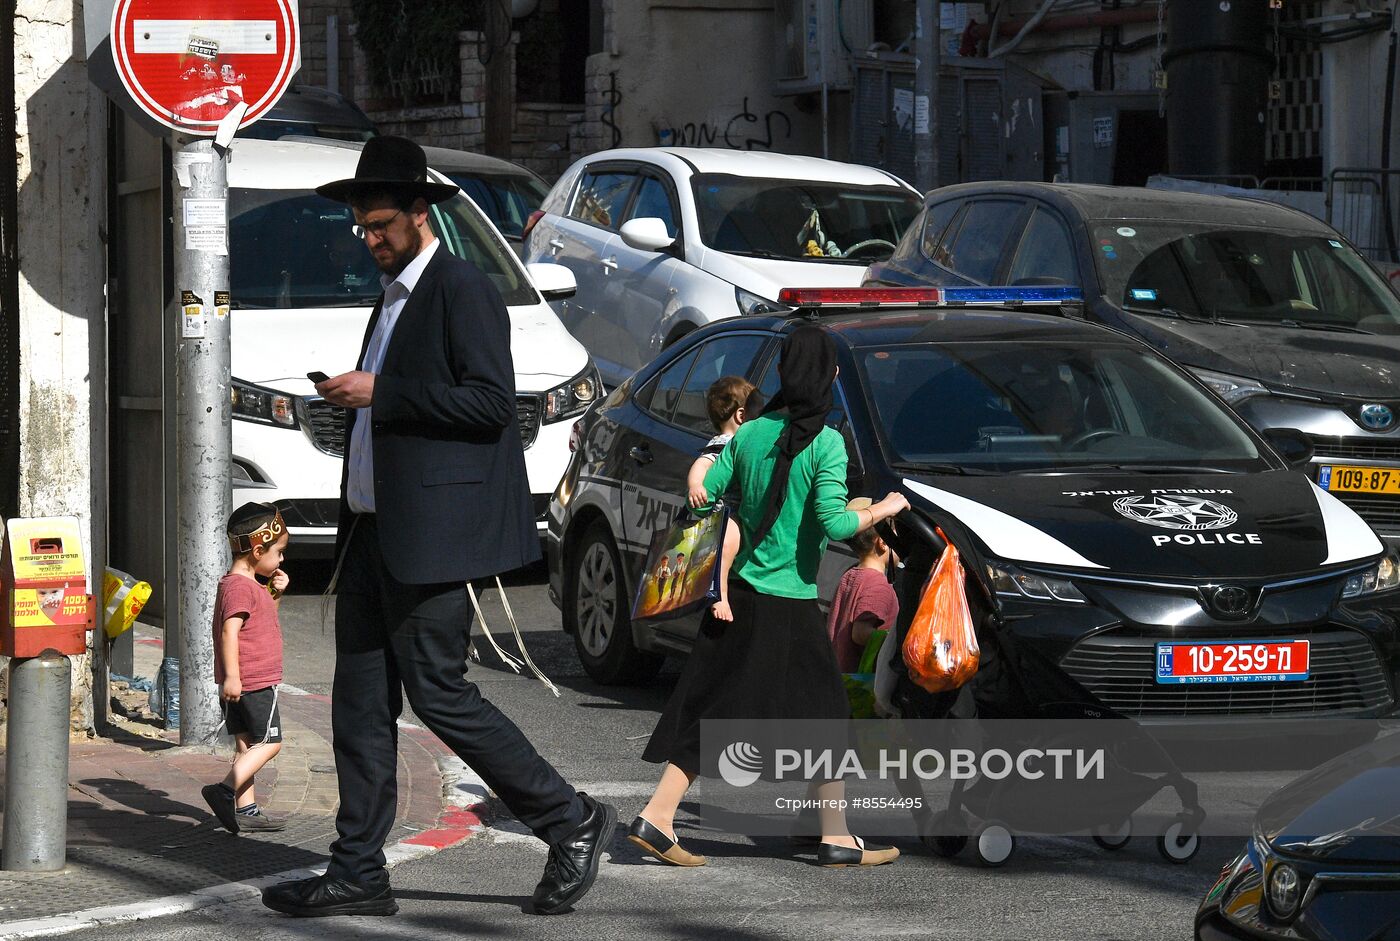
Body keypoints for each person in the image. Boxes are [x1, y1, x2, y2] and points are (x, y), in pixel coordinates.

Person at [262, 136, 614, 919]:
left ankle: (573, 818)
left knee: (442, 696)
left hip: (431, 540)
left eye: (381, 224)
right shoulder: (392, 294)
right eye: (361, 226)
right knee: (359, 705)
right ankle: (357, 868)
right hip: (371, 535)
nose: (370, 238)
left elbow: (493, 405)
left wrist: (382, 390)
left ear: (422, 214)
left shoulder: (461, 287)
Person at [627, 325, 910, 869]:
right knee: (825, 715)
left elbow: (710, 488)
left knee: (711, 707)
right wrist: (881, 510)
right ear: (828, 376)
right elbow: (831, 522)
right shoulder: (826, 443)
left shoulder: (752, 433)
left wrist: (707, 473)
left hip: (740, 593)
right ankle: (832, 836)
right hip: (787, 602)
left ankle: (661, 817)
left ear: (782, 372)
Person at [201, 502, 291, 835]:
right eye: (278, 552)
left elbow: (262, 616)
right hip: (253, 681)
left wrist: (275, 593)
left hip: (244, 681)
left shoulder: (243, 584)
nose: (281, 559)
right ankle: (223, 791)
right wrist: (234, 677)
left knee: (246, 745)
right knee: (270, 743)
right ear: (257, 550)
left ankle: (246, 809)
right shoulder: (240, 587)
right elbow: (230, 631)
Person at [686, 375, 753, 621]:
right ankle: (719, 592)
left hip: (737, 509)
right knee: (730, 541)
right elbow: (701, 464)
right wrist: (695, 486)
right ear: (742, 416)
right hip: (725, 512)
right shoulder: (725, 443)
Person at [827, 498, 900, 674]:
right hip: (860, 685)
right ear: (882, 543)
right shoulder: (878, 585)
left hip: (837, 674)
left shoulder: (850, 574)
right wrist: (897, 643)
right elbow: (860, 633)